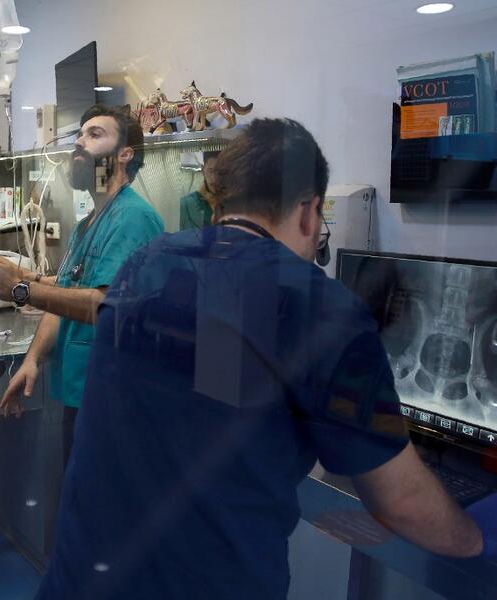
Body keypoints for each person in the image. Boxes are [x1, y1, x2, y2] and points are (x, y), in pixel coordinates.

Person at [36, 118, 497, 600]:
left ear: (221, 199)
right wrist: (476, 537)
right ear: (310, 211)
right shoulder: (321, 309)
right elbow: (401, 502)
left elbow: (208, 398)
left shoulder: (148, 262)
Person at [0, 104, 164, 464]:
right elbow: (63, 298)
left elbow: (106, 306)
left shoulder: (133, 219)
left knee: (104, 510)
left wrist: (20, 288)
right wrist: (31, 360)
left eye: (95, 134)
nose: (79, 143)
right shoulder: (87, 224)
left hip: (117, 398)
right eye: (79, 134)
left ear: (124, 154)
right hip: (83, 392)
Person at [179, 150, 220, 230]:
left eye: (220, 172)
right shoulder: (186, 205)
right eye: (211, 171)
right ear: (203, 170)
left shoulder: (235, 205)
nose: (215, 179)